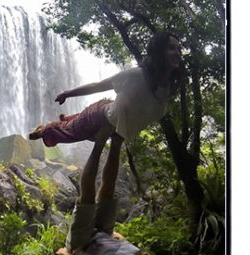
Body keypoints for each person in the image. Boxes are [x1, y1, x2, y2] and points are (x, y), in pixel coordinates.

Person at [29, 32, 183, 206]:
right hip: (99, 116)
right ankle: (44, 130)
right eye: (171, 48)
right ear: (158, 51)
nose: (177, 52)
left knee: (112, 151)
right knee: (69, 132)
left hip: (116, 119)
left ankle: (103, 207)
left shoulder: (167, 90)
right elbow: (98, 86)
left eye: (179, 48)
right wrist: (67, 94)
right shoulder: (135, 76)